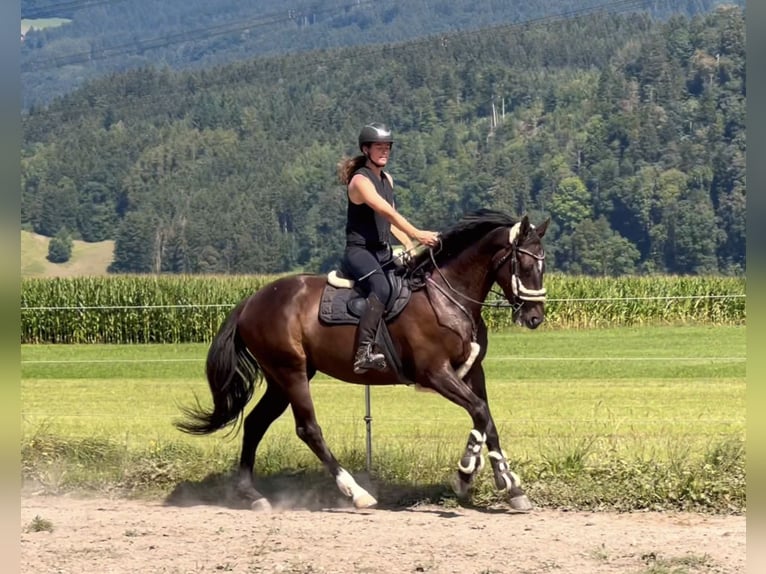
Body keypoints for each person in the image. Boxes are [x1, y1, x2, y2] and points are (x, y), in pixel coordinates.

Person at [337, 122, 439, 374]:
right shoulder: (360, 181)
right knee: (381, 287)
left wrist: (409, 244)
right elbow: (386, 211)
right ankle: (363, 352)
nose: (384, 151)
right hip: (359, 252)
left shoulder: (387, 179)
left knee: (411, 279)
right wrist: (418, 233)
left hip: (381, 251)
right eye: (379, 147)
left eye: (387, 147)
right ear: (366, 149)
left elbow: (387, 222)